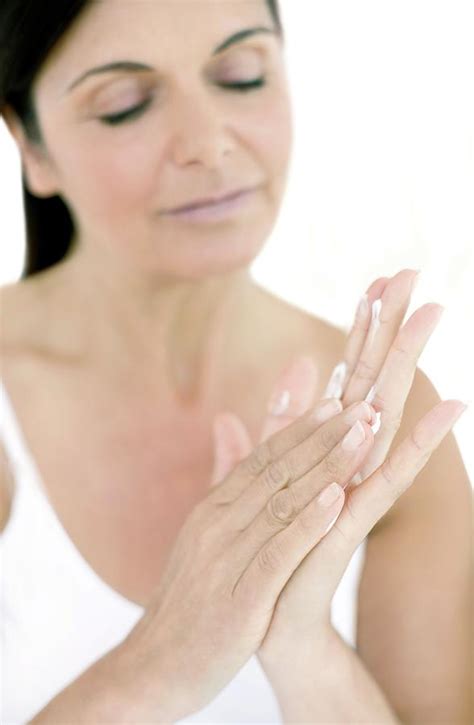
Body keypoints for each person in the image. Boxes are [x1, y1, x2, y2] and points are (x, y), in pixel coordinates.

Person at [0, 1, 471, 722]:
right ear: (29, 146)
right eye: (125, 105)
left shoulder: (385, 417)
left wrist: (303, 648)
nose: (208, 143)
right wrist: (161, 661)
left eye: (241, 75)